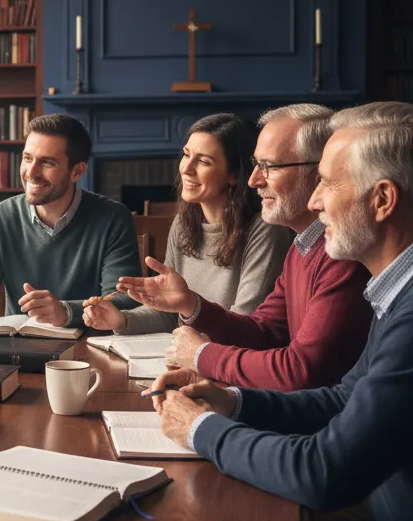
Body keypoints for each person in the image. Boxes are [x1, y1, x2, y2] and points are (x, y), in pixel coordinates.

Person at [149, 102, 413, 521]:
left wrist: (200, 431)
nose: (317, 201)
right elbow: (341, 396)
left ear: (382, 199)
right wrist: (231, 401)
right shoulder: (396, 290)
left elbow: (323, 472)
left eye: (328, 182)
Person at [117, 104, 372, 390]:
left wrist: (202, 356)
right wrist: (192, 304)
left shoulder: (343, 255)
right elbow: (264, 332)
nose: (254, 180)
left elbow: (301, 371)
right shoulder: (302, 245)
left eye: (269, 166)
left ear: (320, 173)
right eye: (256, 165)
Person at [0, 113, 140, 333]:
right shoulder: (0, 217)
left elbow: (123, 299)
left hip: (89, 349)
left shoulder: (113, 217)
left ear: (76, 171)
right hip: (19, 346)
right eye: (27, 158)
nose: (31, 172)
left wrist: (65, 312)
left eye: (47, 162)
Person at [83, 113, 291, 334]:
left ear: (235, 175)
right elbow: (171, 312)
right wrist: (121, 320)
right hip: (188, 352)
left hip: (225, 359)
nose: (186, 169)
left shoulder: (265, 229)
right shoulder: (184, 224)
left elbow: (245, 322)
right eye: (186, 155)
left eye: (203, 161)